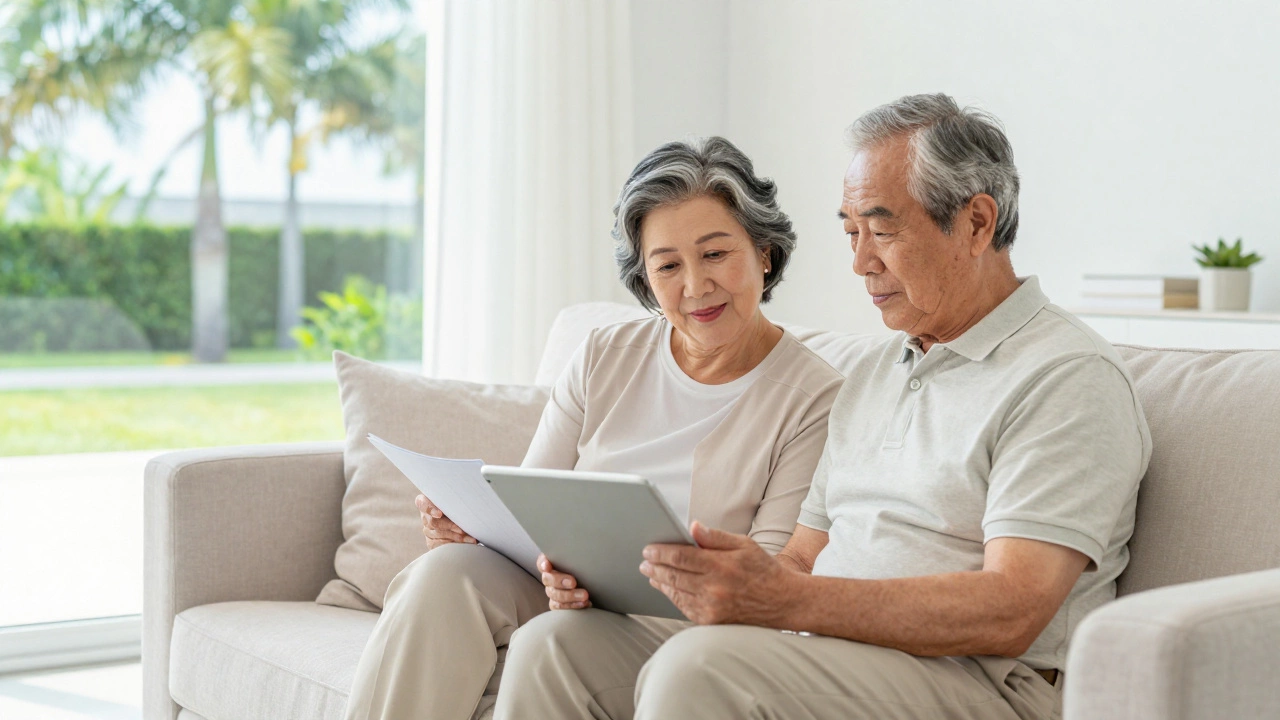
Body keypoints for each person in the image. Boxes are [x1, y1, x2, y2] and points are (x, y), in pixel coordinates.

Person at [496, 93, 1151, 720]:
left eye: (883, 231)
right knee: (554, 647)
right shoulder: (874, 373)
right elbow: (801, 559)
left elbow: (1014, 607)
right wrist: (731, 585)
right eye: (851, 233)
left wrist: (792, 601)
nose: (862, 262)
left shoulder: (1065, 377)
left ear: (976, 223)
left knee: (697, 668)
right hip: (828, 652)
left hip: (979, 679)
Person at [343, 136, 844, 720]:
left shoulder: (815, 398)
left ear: (763, 252)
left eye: (715, 254)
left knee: (554, 642)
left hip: (690, 626)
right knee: (443, 574)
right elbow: (531, 504)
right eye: (667, 265)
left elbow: (771, 576)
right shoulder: (605, 354)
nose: (695, 286)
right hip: (567, 591)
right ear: (645, 278)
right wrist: (477, 532)